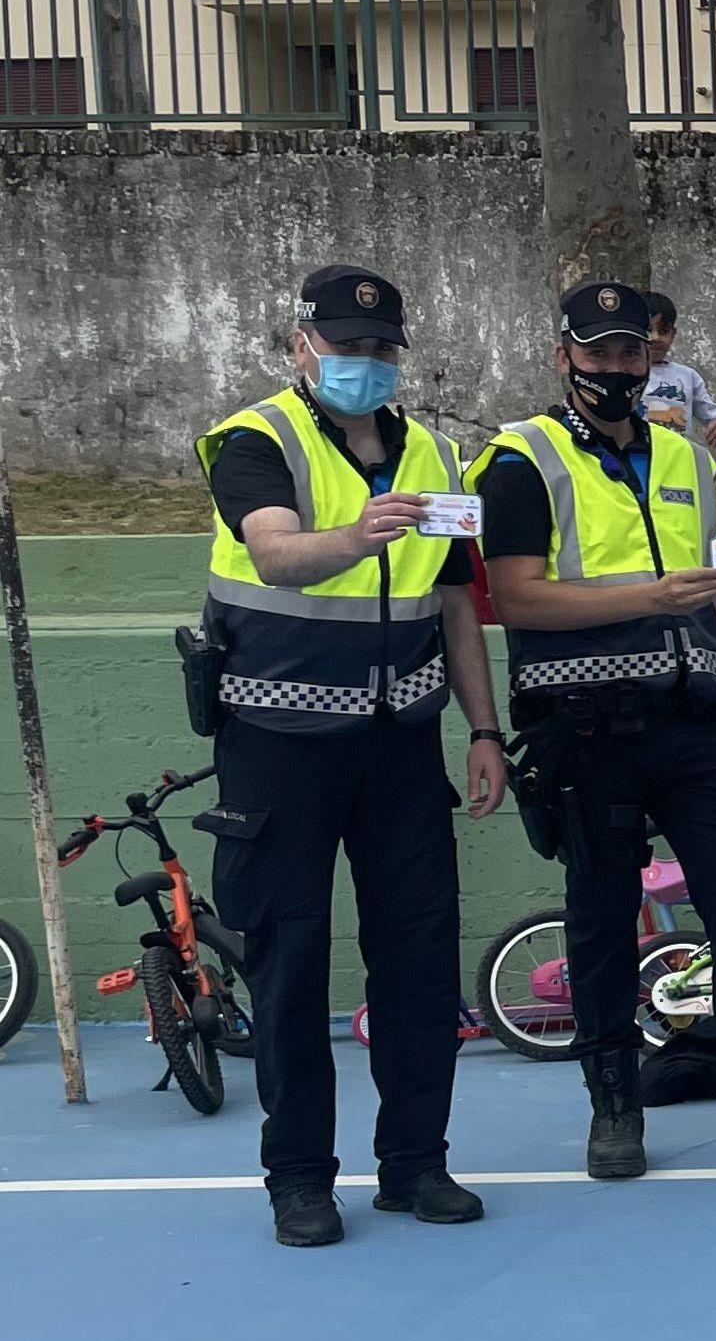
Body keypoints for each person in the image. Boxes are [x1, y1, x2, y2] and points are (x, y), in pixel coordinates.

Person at [476, 282, 716, 1180]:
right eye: (598, 353)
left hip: (698, 723)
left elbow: (711, 594)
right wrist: (647, 599)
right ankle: (616, 1113)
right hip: (584, 728)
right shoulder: (518, 458)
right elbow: (516, 594)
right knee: (603, 918)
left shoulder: (688, 459)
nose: (614, 369)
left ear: (653, 357)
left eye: (630, 354)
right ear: (564, 355)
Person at [195, 264, 508, 1248]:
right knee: (287, 959)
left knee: (417, 956)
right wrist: (358, 532)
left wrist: (485, 728)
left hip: (401, 740)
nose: (362, 363)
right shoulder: (257, 440)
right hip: (278, 743)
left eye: (379, 349)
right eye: (344, 345)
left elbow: (457, 602)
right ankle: (300, 1177)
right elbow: (275, 552)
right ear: (302, 345)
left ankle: (416, 1161)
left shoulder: (439, 455)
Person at [637, 294, 716, 450]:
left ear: (673, 335)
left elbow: (711, 413)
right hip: (639, 455)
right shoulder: (625, 375)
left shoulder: (687, 376)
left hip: (678, 457)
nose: (655, 337)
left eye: (663, 331)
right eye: (647, 330)